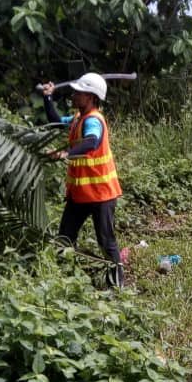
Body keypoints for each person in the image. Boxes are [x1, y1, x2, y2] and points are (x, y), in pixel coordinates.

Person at [42, 73, 123, 286]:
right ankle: (64, 281)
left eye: (79, 92)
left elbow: (91, 142)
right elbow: (57, 122)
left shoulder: (94, 121)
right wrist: (48, 97)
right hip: (80, 195)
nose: (74, 95)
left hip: (101, 194)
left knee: (106, 242)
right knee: (65, 238)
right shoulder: (78, 118)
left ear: (90, 97)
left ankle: (117, 286)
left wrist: (64, 154)